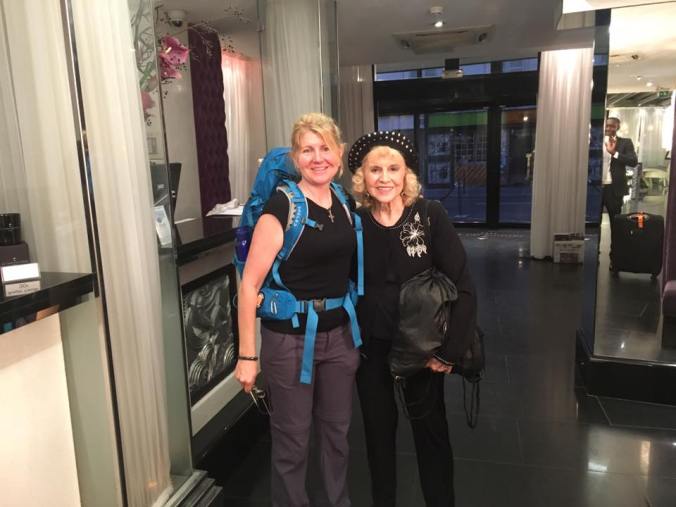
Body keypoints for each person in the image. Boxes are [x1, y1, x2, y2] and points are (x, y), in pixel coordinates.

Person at [235, 113, 361, 507]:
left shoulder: (343, 201)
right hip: (290, 342)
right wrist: (247, 356)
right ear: (295, 157)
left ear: (339, 154)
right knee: (292, 441)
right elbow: (249, 286)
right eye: (307, 150)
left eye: (325, 148)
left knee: (337, 435)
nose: (317, 158)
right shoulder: (282, 207)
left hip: (341, 338)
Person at [348, 131, 477, 507]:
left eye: (393, 168)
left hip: (422, 349)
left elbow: (464, 287)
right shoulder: (356, 222)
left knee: (431, 434)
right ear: (363, 177)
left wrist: (449, 352)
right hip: (372, 348)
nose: (384, 178)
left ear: (406, 175)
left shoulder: (429, 215)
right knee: (377, 438)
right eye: (375, 169)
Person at [601, 116, 638, 269]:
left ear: (618, 127)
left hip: (614, 189)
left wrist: (614, 153)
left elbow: (633, 161)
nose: (609, 128)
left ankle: (614, 259)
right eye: (607, 125)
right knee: (593, 225)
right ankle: (593, 255)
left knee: (616, 226)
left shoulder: (625, 142)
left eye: (612, 126)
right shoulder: (595, 140)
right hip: (596, 188)